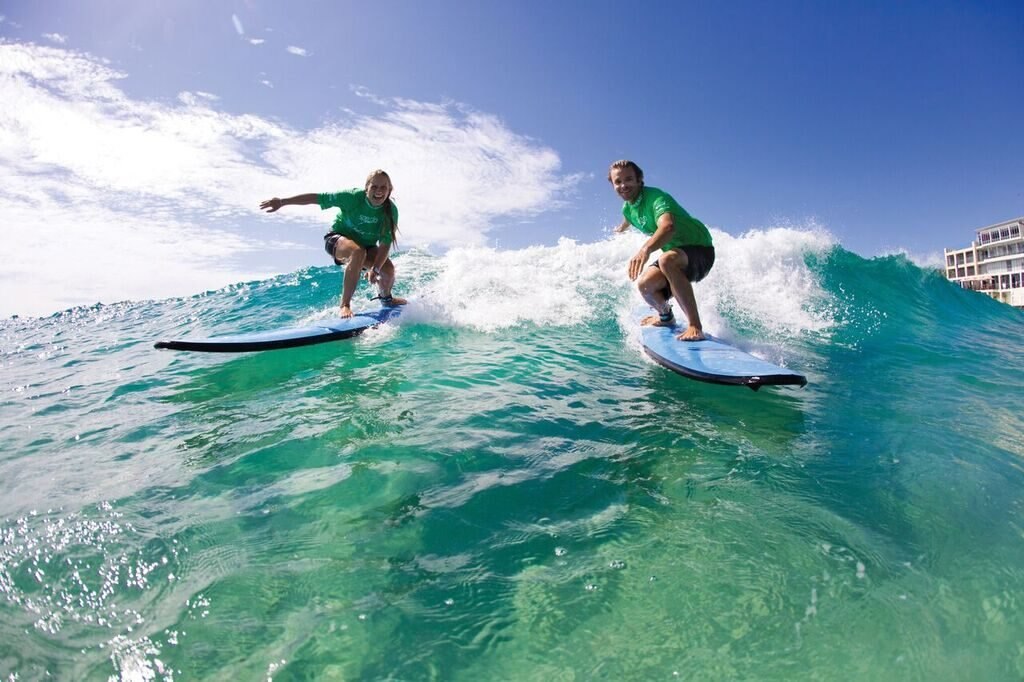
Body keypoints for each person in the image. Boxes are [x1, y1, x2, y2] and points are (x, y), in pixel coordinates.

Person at [260, 169, 408, 318]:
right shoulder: (351, 197)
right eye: (374, 187)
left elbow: (385, 244)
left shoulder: (390, 211)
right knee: (358, 252)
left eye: (383, 187)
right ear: (366, 188)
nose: (379, 191)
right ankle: (345, 305)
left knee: (387, 270)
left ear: (389, 190)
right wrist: (282, 202)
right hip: (337, 239)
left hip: (367, 246)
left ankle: (386, 299)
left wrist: (375, 269)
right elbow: (317, 198)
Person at [609, 160, 715, 341]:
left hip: (701, 250)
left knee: (667, 260)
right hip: (678, 255)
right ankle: (666, 317)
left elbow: (668, 227)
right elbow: (628, 217)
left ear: (639, 180)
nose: (623, 185)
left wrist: (646, 249)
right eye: (618, 182)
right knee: (645, 286)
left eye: (629, 179)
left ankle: (695, 326)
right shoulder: (627, 208)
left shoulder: (656, 197)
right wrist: (621, 227)